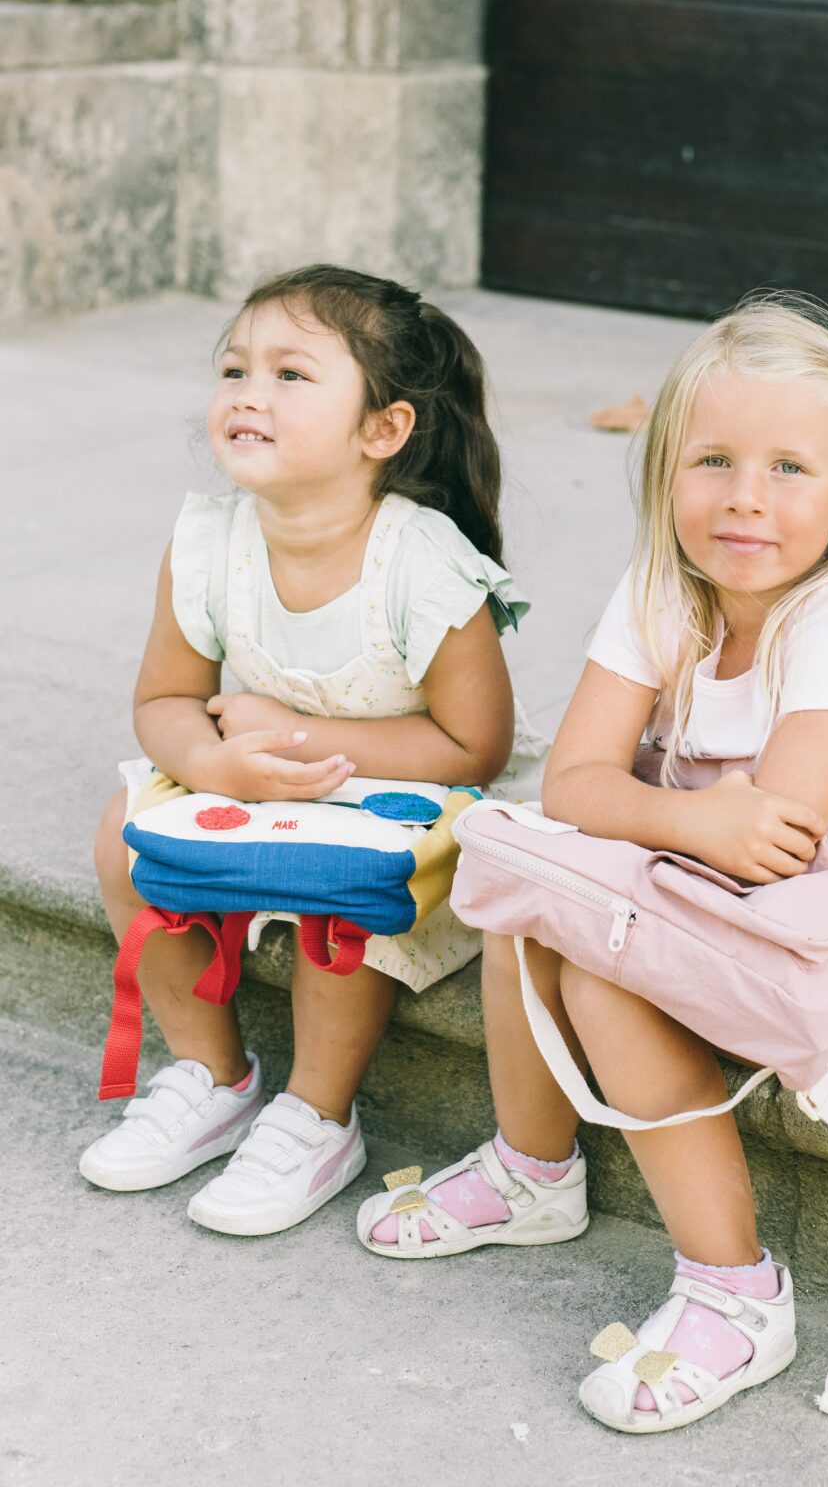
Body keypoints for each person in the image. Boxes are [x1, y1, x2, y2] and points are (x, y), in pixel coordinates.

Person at [357, 292, 828, 1433]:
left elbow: (781, 843)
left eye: (790, 468)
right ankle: (532, 1171)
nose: (745, 496)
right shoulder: (660, 589)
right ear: (662, 476)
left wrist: (660, 831)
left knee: (603, 960)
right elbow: (577, 785)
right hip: (708, 884)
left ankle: (737, 1292)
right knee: (531, 901)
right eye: (711, 459)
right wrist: (690, 824)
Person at [79, 263, 527, 1236]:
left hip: (395, 808)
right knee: (125, 831)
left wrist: (291, 738)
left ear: (383, 429)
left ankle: (317, 1115)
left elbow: (472, 745)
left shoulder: (425, 563)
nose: (248, 392)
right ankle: (212, 1073)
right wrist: (207, 766)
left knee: (344, 886)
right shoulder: (207, 543)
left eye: (290, 374)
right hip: (245, 785)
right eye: (235, 368)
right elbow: (163, 700)